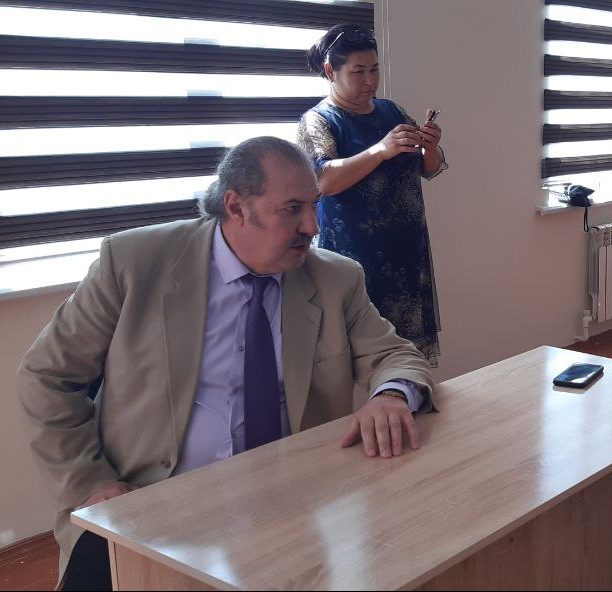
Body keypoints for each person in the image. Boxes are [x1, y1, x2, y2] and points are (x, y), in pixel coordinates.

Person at [17, 137, 435, 590]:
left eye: (313, 205)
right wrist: (90, 482)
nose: (312, 226)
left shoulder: (335, 278)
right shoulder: (135, 263)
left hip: (288, 511)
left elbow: (395, 355)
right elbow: (47, 376)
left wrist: (391, 394)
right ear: (237, 207)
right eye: (292, 209)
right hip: (144, 503)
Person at [297, 24, 446, 366]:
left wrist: (430, 146)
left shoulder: (392, 111)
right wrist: (380, 150)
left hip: (406, 250)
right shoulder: (318, 121)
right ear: (331, 71)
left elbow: (428, 168)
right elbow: (322, 181)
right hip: (354, 257)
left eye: (375, 69)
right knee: (353, 355)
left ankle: (406, 397)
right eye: (359, 71)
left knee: (406, 356)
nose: (370, 81)